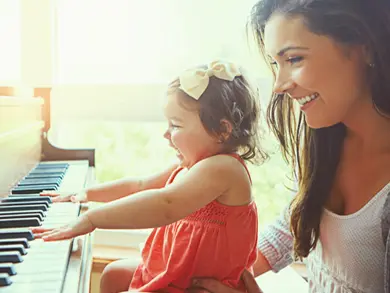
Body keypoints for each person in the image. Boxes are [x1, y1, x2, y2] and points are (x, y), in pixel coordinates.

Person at [190, 0, 390, 292]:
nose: (279, 85)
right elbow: (298, 219)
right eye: (275, 64)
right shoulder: (326, 140)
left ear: (366, 47)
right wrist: (224, 272)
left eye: (294, 59)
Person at [33, 60, 268, 293]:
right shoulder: (190, 166)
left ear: (222, 130)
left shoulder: (225, 169)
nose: (166, 134)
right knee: (113, 274)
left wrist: (92, 220)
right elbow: (140, 186)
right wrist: (85, 194)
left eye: (175, 125)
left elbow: (165, 204)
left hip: (200, 287)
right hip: (179, 275)